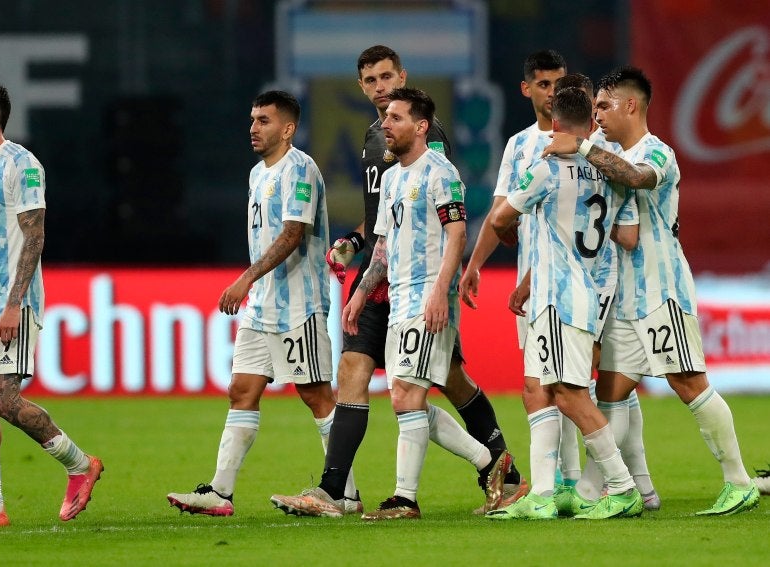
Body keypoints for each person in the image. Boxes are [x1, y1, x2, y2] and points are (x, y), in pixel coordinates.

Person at [270, 46, 521, 519]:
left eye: (388, 77)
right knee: (358, 375)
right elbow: (386, 221)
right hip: (385, 274)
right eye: (371, 81)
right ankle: (337, 491)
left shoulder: (426, 141)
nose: (381, 88)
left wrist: (446, 283)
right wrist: (355, 251)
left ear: (402, 80)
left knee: (439, 381)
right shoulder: (376, 140)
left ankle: (494, 471)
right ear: (362, 88)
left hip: (424, 280)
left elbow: (440, 214)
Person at [543, 66, 760, 516]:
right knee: (611, 393)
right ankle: (598, 492)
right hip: (625, 300)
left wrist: (582, 146)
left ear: (630, 105)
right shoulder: (612, 153)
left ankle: (739, 482)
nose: (596, 114)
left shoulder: (658, 153)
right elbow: (625, 233)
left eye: (603, 105)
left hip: (661, 292)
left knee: (689, 384)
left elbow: (639, 179)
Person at [166, 90, 347, 516]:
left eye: (264, 120)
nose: (253, 127)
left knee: (316, 394)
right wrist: (254, 288)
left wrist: (244, 279)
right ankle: (220, 493)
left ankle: (345, 492)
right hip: (262, 306)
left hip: (299, 303)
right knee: (242, 390)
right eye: (252, 119)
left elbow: (292, 234)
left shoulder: (300, 168)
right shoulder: (257, 174)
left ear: (287, 128)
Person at [0, 80, 103, 529]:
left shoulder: (23, 165)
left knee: (5, 398)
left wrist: (14, 306)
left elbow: (35, 234)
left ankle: (79, 464)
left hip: (15, 304)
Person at [487, 86, 644, 519]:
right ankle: (543, 493)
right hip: (577, 289)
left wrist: (516, 225)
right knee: (535, 389)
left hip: (560, 297)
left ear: (554, 125)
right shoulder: (611, 171)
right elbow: (623, 234)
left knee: (571, 396)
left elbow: (501, 217)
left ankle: (624, 487)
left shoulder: (546, 170)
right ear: (590, 125)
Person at [459, 49, 583, 504]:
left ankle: (603, 482)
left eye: (560, 83)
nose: (553, 92)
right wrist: (474, 265)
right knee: (547, 383)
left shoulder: (591, 141)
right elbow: (500, 214)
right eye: (545, 84)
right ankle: (571, 483)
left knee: (579, 385)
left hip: (581, 281)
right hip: (534, 286)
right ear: (527, 89)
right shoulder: (519, 145)